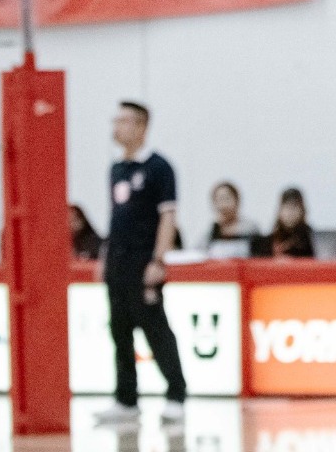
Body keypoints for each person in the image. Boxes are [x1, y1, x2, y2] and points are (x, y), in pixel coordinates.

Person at [94, 101, 185, 428]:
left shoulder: (160, 167)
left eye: (123, 121)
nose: (116, 127)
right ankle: (126, 400)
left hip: (143, 262)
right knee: (119, 331)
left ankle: (176, 395)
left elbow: (168, 217)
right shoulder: (116, 169)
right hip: (117, 264)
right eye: (114, 120)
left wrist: (157, 260)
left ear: (141, 126)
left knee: (155, 330)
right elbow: (116, 219)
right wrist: (105, 257)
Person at [205, 181, 257, 249]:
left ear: (237, 201)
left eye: (226, 199)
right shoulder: (212, 231)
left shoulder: (250, 228)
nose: (223, 205)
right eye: (218, 200)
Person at [270, 187, 315, 259]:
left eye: (294, 207)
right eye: (286, 207)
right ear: (279, 210)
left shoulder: (311, 239)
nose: (290, 212)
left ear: (302, 210)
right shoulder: (271, 239)